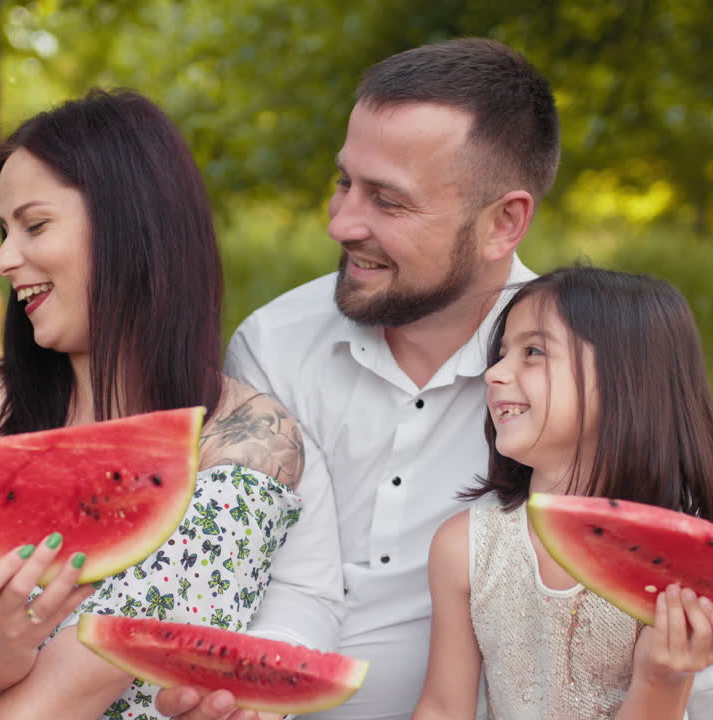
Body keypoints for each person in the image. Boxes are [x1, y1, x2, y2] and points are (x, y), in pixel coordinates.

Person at [0, 89, 344, 719]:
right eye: (4, 231)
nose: (3, 260)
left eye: (34, 226)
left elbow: (294, 607)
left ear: (128, 224)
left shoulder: (252, 435)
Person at [160, 38, 554, 720]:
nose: (341, 224)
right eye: (345, 183)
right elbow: (270, 572)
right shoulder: (274, 345)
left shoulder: (592, 368)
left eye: (389, 202)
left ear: (504, 222)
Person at [412, 266, 713, 719]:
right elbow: (442, 708)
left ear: (626, 379)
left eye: (533, 352)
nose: (494, 373)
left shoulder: (682, 566)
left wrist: (661, 679)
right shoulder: (465, 548)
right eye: (502, 353)